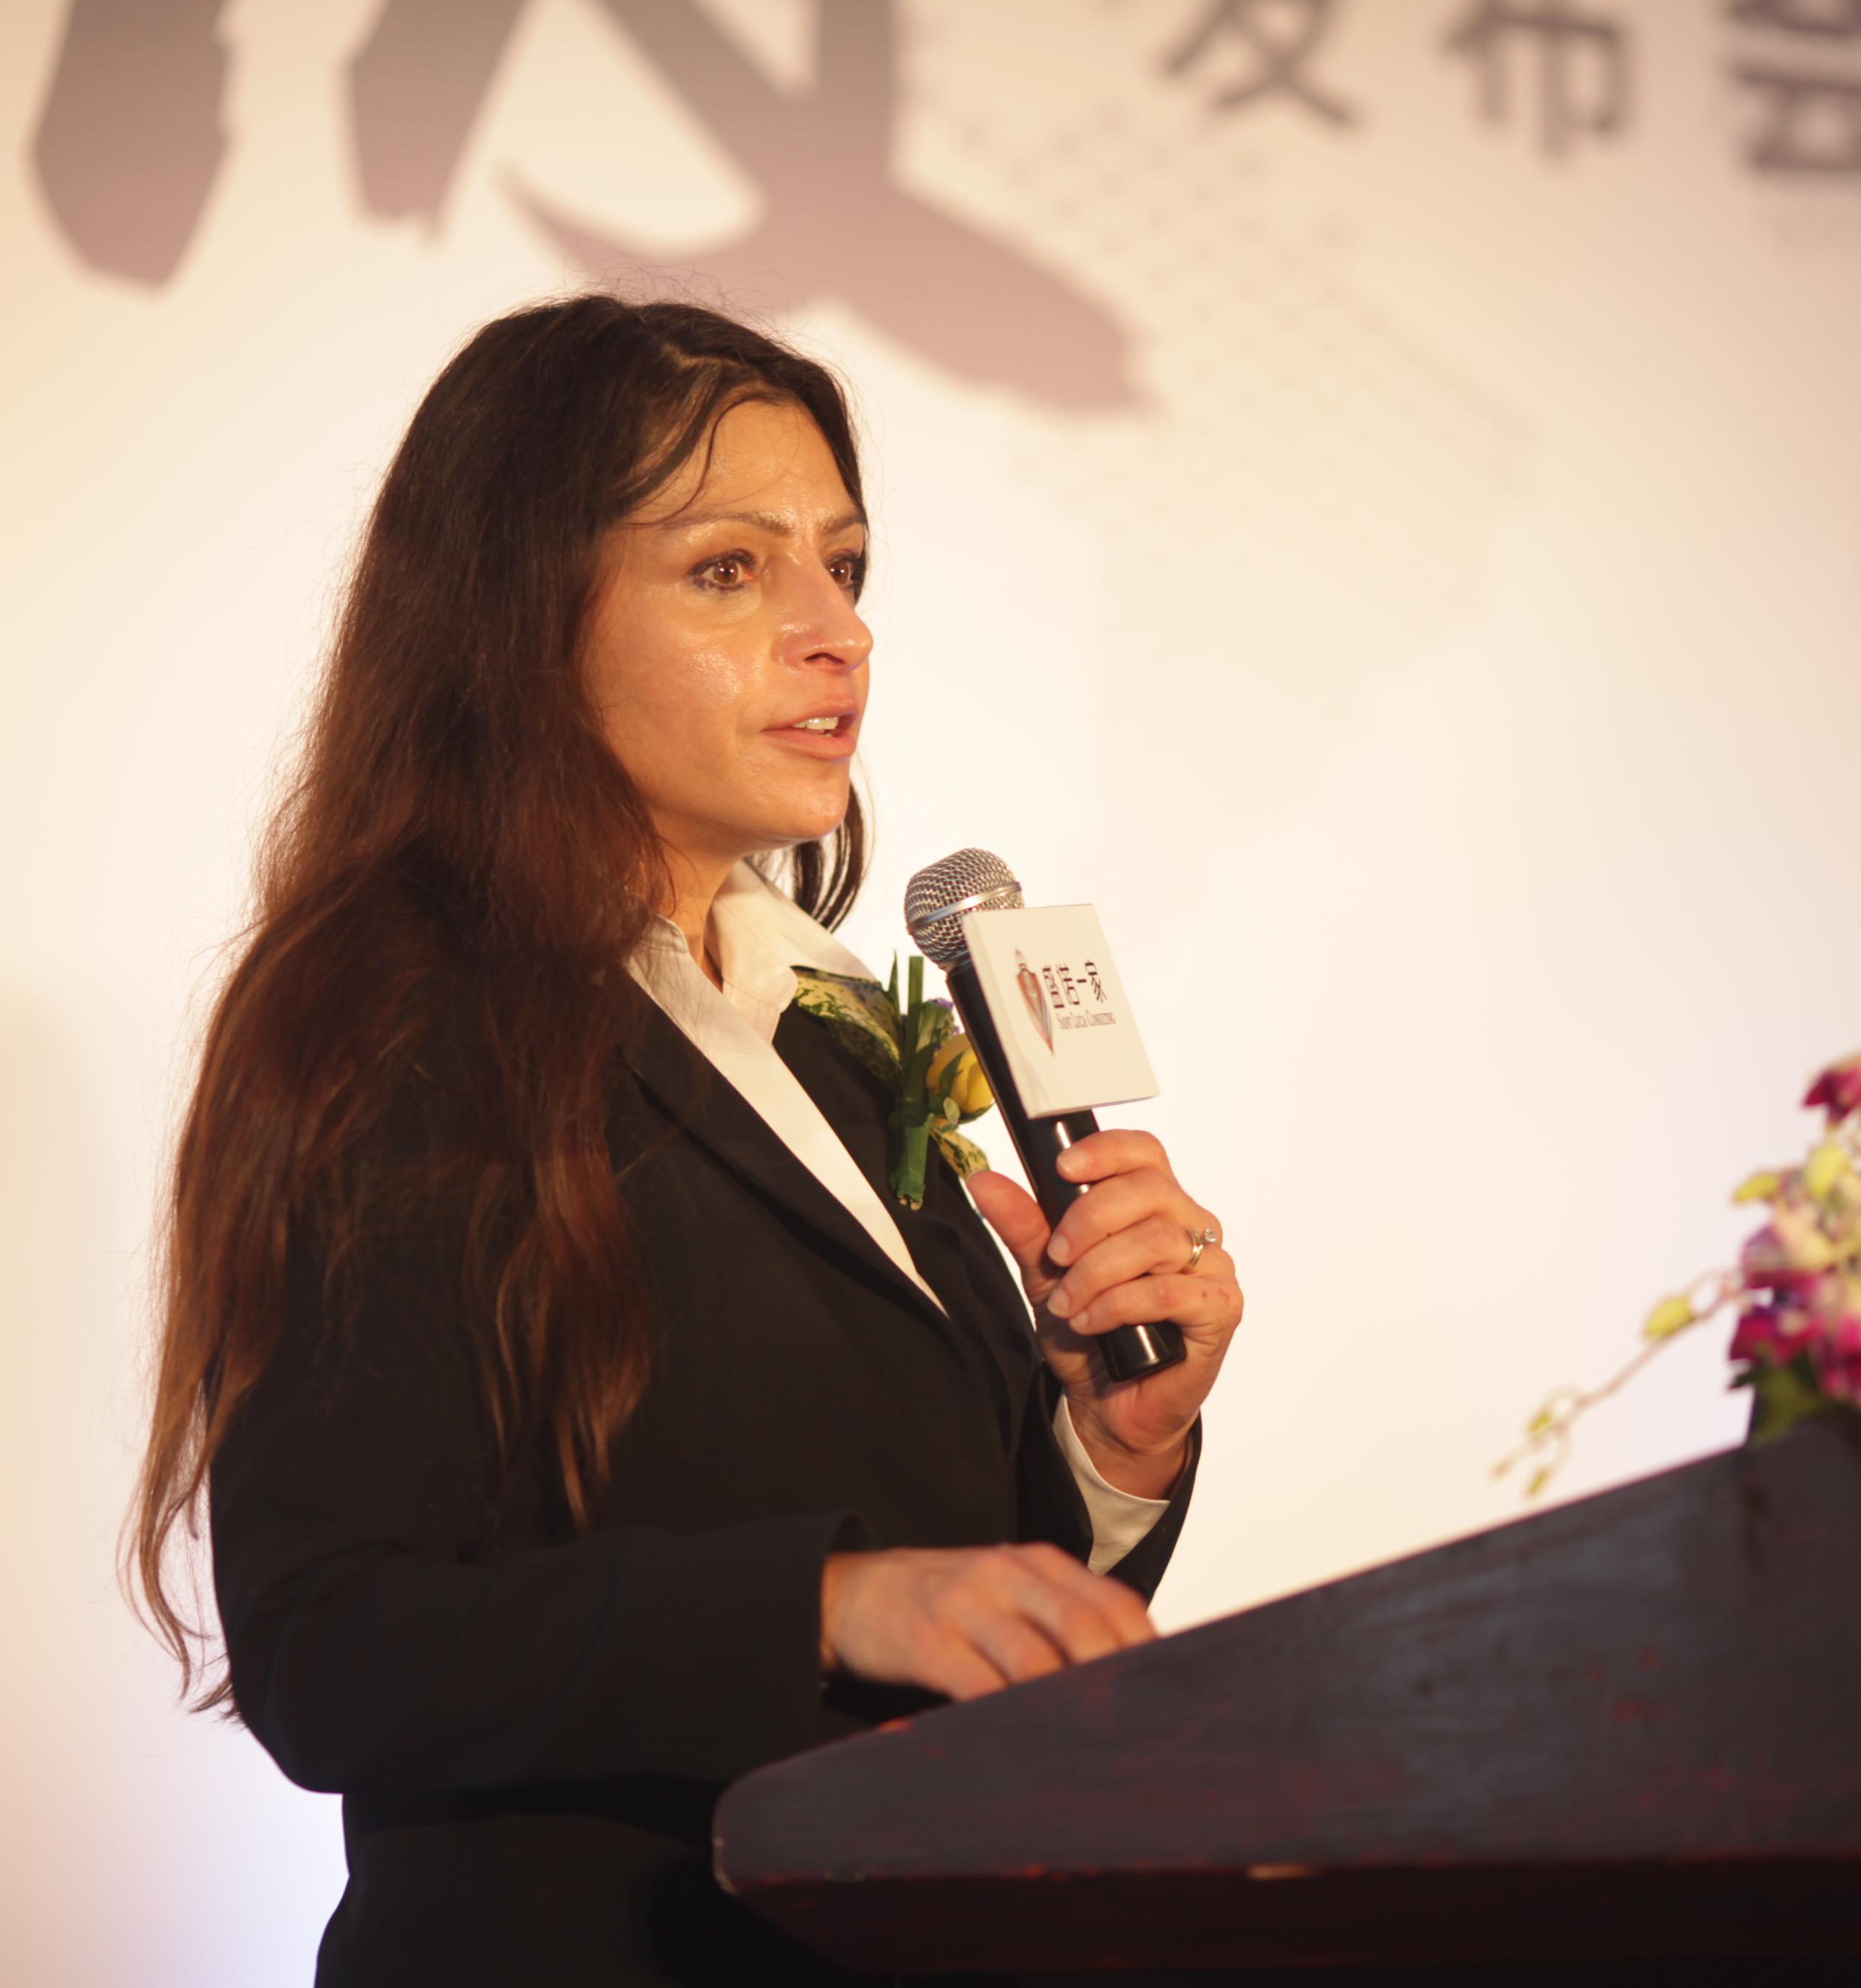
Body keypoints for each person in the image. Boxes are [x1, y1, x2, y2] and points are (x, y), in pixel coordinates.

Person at [127, 295, 1246, 1985]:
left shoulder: (834, 1026)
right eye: (730, 569)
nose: (836, 632)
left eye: (844, 566)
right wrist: (826, 1603)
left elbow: (947, 1591)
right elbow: (331, 1641)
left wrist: (1110, 1449)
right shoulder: (392, 1016)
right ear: (520, 618)